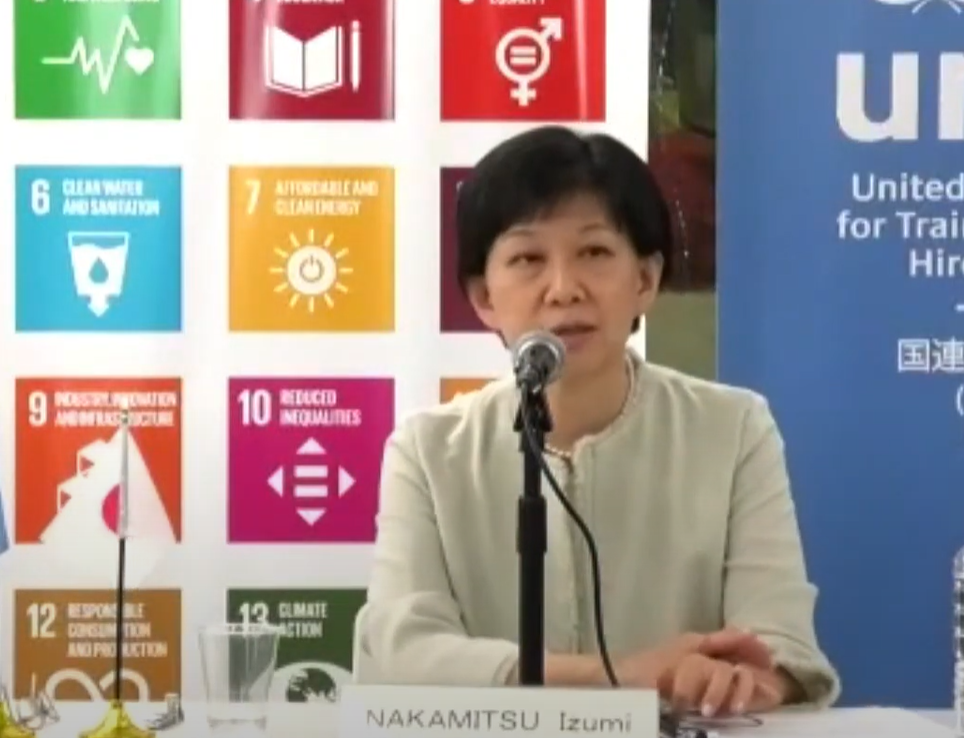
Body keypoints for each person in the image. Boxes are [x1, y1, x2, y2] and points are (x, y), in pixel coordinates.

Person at [353, 126, 840, 714]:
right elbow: (401, 652)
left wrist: (745, 679)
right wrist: (623, 678)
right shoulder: (429, 449)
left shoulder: (733, 429)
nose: (564, 290)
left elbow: (781, 645)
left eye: (594, 253)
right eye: (528, 259)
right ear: (484, 298)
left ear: (645, 280)